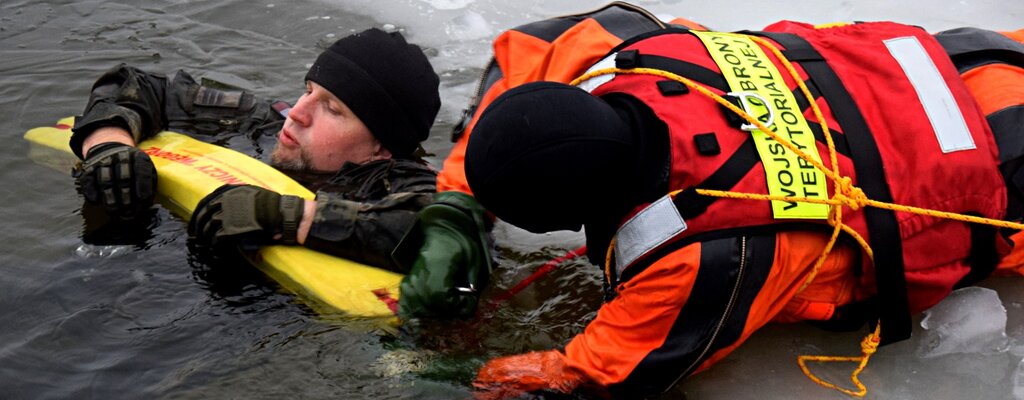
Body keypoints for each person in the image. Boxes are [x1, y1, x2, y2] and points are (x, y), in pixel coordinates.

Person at [416, 6, 1024, 399]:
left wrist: (441, 378)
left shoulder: (699, 254)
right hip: (973, 57)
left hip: (1010, 174)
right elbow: (531, 46)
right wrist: (457, 206)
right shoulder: (646, 56)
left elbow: (594, 376)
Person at [69, 28, 443, 272]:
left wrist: (284, 216)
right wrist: (107, 144)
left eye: (331, 109)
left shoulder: (396, 180)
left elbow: (442, 230)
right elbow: (137, 84)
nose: (297, 114)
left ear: (381, 147)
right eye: (309, 90)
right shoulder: (263, 122)